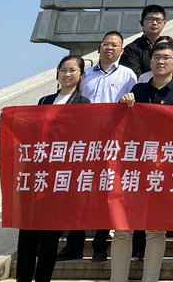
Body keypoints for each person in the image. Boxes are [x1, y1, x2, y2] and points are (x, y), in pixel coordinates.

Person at [114, 40, 173, 282]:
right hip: (133, 169)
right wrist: (123, 105)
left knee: (155, 230)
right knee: (123, 229)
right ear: (150, 62)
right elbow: (120, 126)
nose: (161, 61)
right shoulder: (136, 91)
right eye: (156, 57)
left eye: (166, 58)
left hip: (164, 170)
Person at [59, 32, 136, 262]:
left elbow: (133, 108)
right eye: (105, 44)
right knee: (79, 191)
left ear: (122, 50)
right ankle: (74, 244)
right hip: (84, 141)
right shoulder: (85, 75)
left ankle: (101, 245)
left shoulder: (128, 75)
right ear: (99, 48)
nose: (109, 48)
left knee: (105, 192)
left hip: (112, 142)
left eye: (114, 45)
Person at [17, 55, 90, 282]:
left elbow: (83, 140)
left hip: (60, 177)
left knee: (49, 237)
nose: (67, 74)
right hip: (37, 173)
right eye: (63, 70)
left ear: (81, 75)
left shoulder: (84, 104)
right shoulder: (44, 101)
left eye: (72, 70)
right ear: (58, 73)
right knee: (27, 233)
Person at [119, 4, 167, 76]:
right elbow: (133, 77)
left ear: (164, 23)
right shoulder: (131, 49)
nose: (154, 23)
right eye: (150, 19)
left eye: (158, 20)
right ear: (141, 23)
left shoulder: (168, 46)